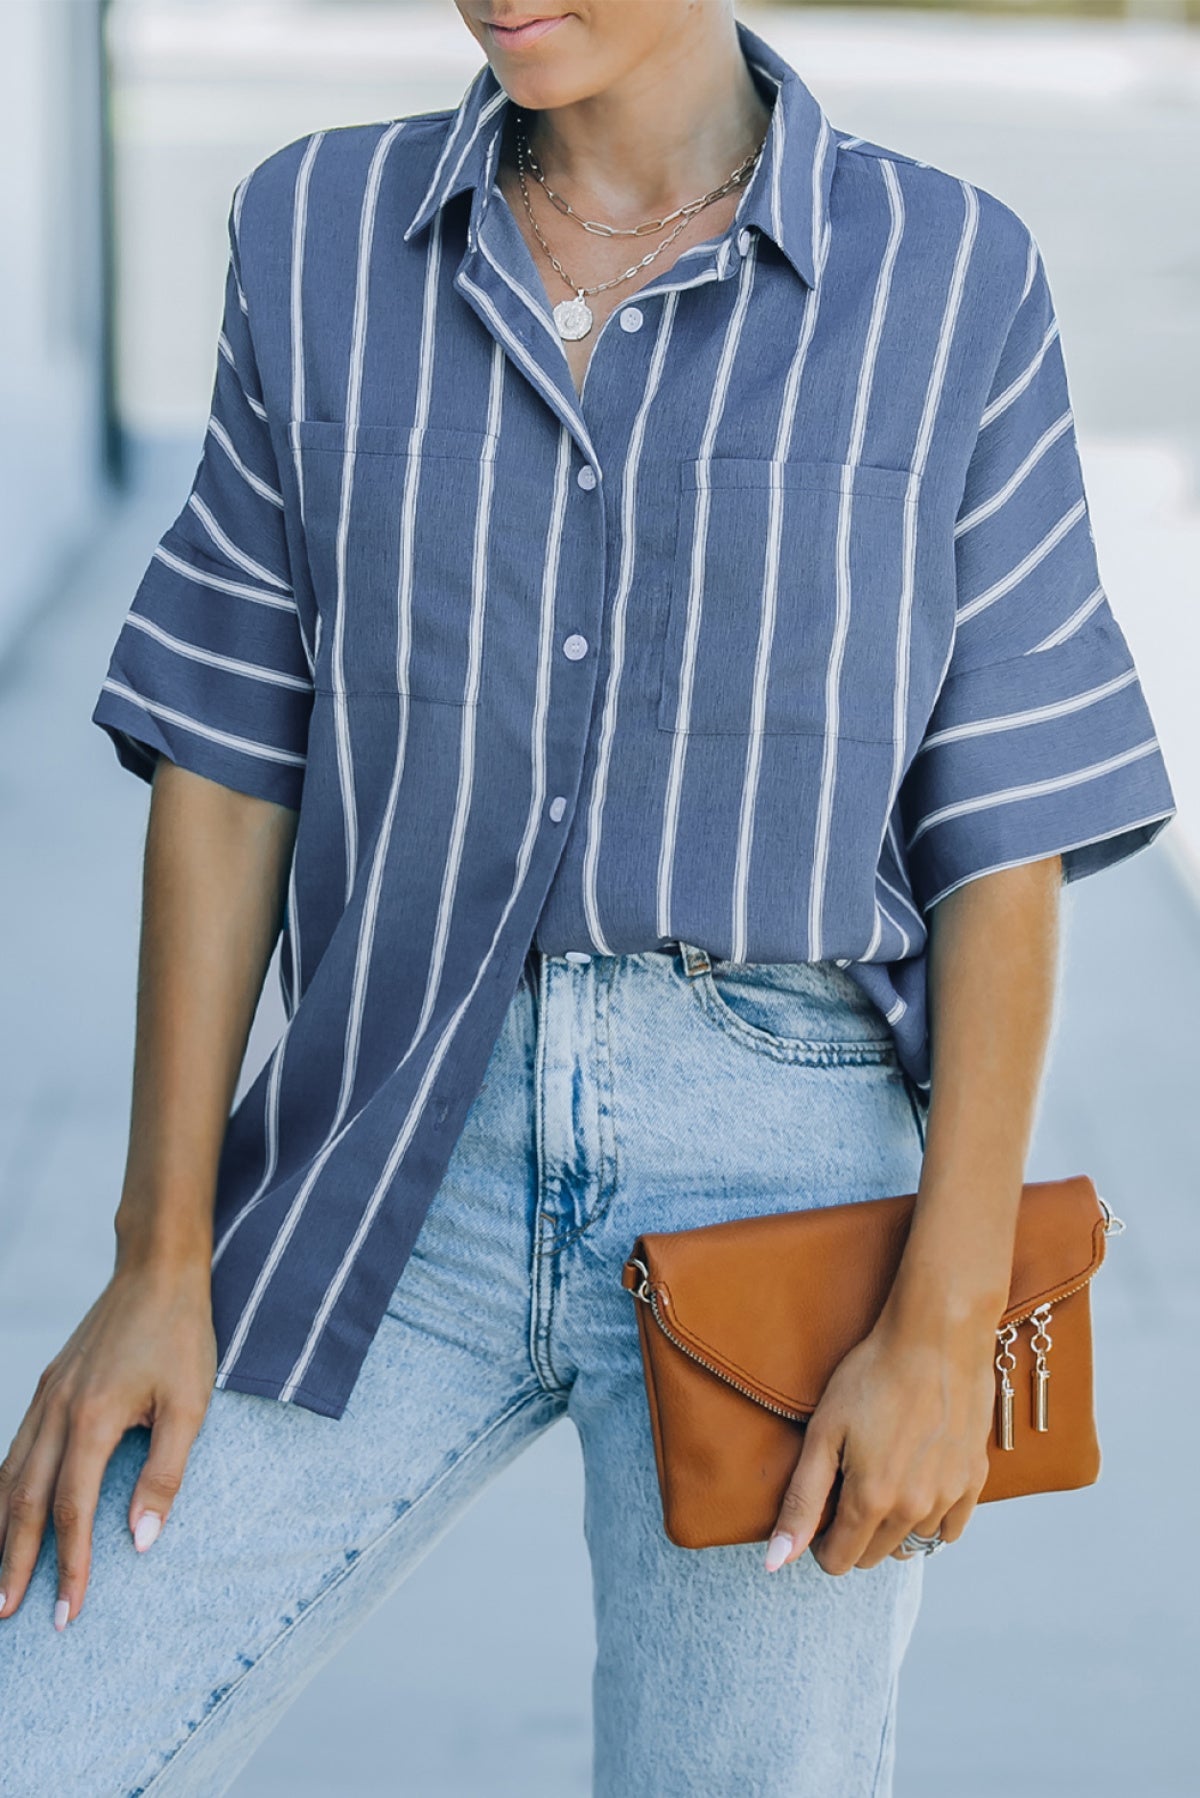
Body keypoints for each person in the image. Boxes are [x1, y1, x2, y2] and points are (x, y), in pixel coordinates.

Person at [0, 3, 1178, 1794]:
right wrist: (158, 1259)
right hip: (388, 1142)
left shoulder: (950, 281)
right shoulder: (317, 235)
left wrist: (943, 1326)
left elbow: (999, 840)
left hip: (786, 1185)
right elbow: (229, 749)